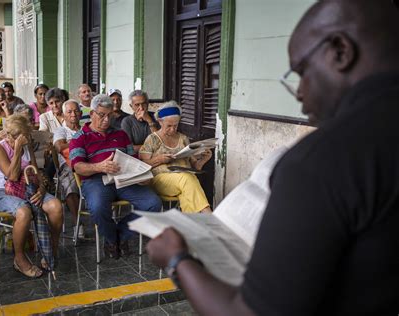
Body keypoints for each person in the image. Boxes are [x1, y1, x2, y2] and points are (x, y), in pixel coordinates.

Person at [146, 1, 399, 315]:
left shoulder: (323, 161)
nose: (300, 93)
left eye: (301, 71)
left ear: (340, 51)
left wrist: (177, 260)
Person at [70, 94, 162, 259]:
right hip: (96, 180)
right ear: (91, 114)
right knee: (98, 207)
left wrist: (142, 175)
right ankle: (114, 240)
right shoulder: (79, 138)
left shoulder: (120, 135)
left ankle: (119, 235)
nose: (106, 120)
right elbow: (78, 167)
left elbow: (133, 160)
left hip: (124, 178)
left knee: (153, 204)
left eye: (109, 115)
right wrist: (99, 166)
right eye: (101, 115)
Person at [0, 114, 63, 278]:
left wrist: (42, 189)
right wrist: (17, 150)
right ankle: (19, 258)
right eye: (22, 137)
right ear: (9, 135)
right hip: (0, 191)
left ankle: (51, 251)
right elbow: (12, 176)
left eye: (26, 136)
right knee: (24, 211)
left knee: (56, 206)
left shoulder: (27, 146)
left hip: (28, 187)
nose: (26, 139)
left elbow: (37, 173)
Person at [140, 101, 212, 213]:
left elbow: (195, 167)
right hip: (160, 179)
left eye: (175, 125)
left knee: (187, 191)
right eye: (169, 126)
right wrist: (160, 159)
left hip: (185, 180)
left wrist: (203, 160)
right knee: (188, 179)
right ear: (160, 122)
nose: (173, 129)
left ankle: (186, 228)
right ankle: (209, 216)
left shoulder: (183, 139)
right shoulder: (152, 139)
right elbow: (142, 166)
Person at [53, 100, 82, 236]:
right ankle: (77, 222)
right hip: (67, 165)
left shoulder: (86, 128)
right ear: (63, 116)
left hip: (87, 162)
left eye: (76, 111)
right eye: (69, 112)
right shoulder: (61, 130)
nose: (73, 114)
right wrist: (78, 142)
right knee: (70, 184)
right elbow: (59, 147)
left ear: (81, 113)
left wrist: (69, 143)